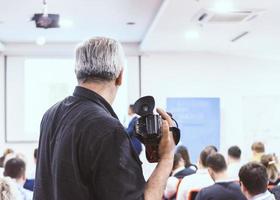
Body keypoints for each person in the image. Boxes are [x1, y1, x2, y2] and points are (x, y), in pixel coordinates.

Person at [34, 37, 176, 200]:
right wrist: (167, 157)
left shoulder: (50, 115)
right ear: (120, 76)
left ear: (77, 73)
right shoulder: (108, 129)